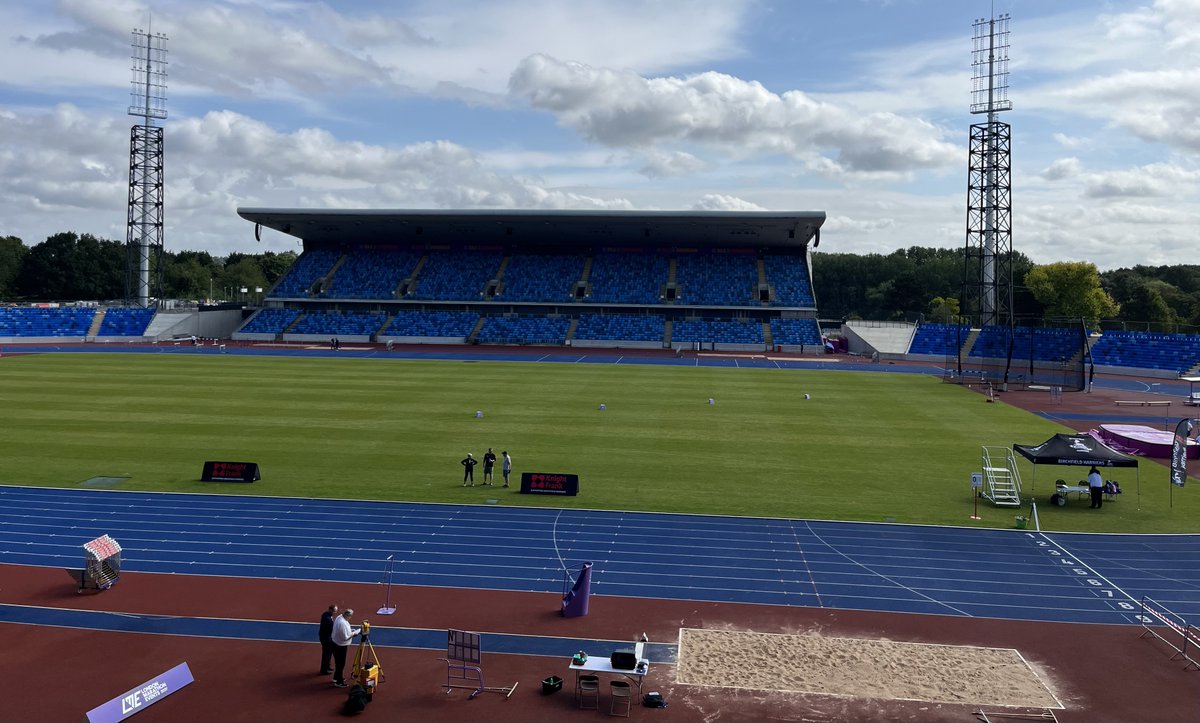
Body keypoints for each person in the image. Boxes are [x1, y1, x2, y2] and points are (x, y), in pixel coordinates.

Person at [331, 608, 361, 688]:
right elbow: (345, 637)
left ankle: (336, 678)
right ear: (348, 615)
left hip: (336, 643)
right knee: (341, 664)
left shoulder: (339, 617)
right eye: (350, 616)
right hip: (340, 646)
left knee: (338, 663)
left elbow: (344, 632)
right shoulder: (342, 623)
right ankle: (338, 682)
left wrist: (350, 631)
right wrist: (355, 633)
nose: (350, 618)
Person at [318, 603, 338, 675]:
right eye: (334, 611)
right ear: (330, 610)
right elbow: (332, 630)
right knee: (326, 654)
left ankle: (327, 666)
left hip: (325, 637)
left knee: (328, 654)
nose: (335, 613)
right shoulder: (328, 620)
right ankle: (324, 670)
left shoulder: (325, 614)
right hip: (326, 639)